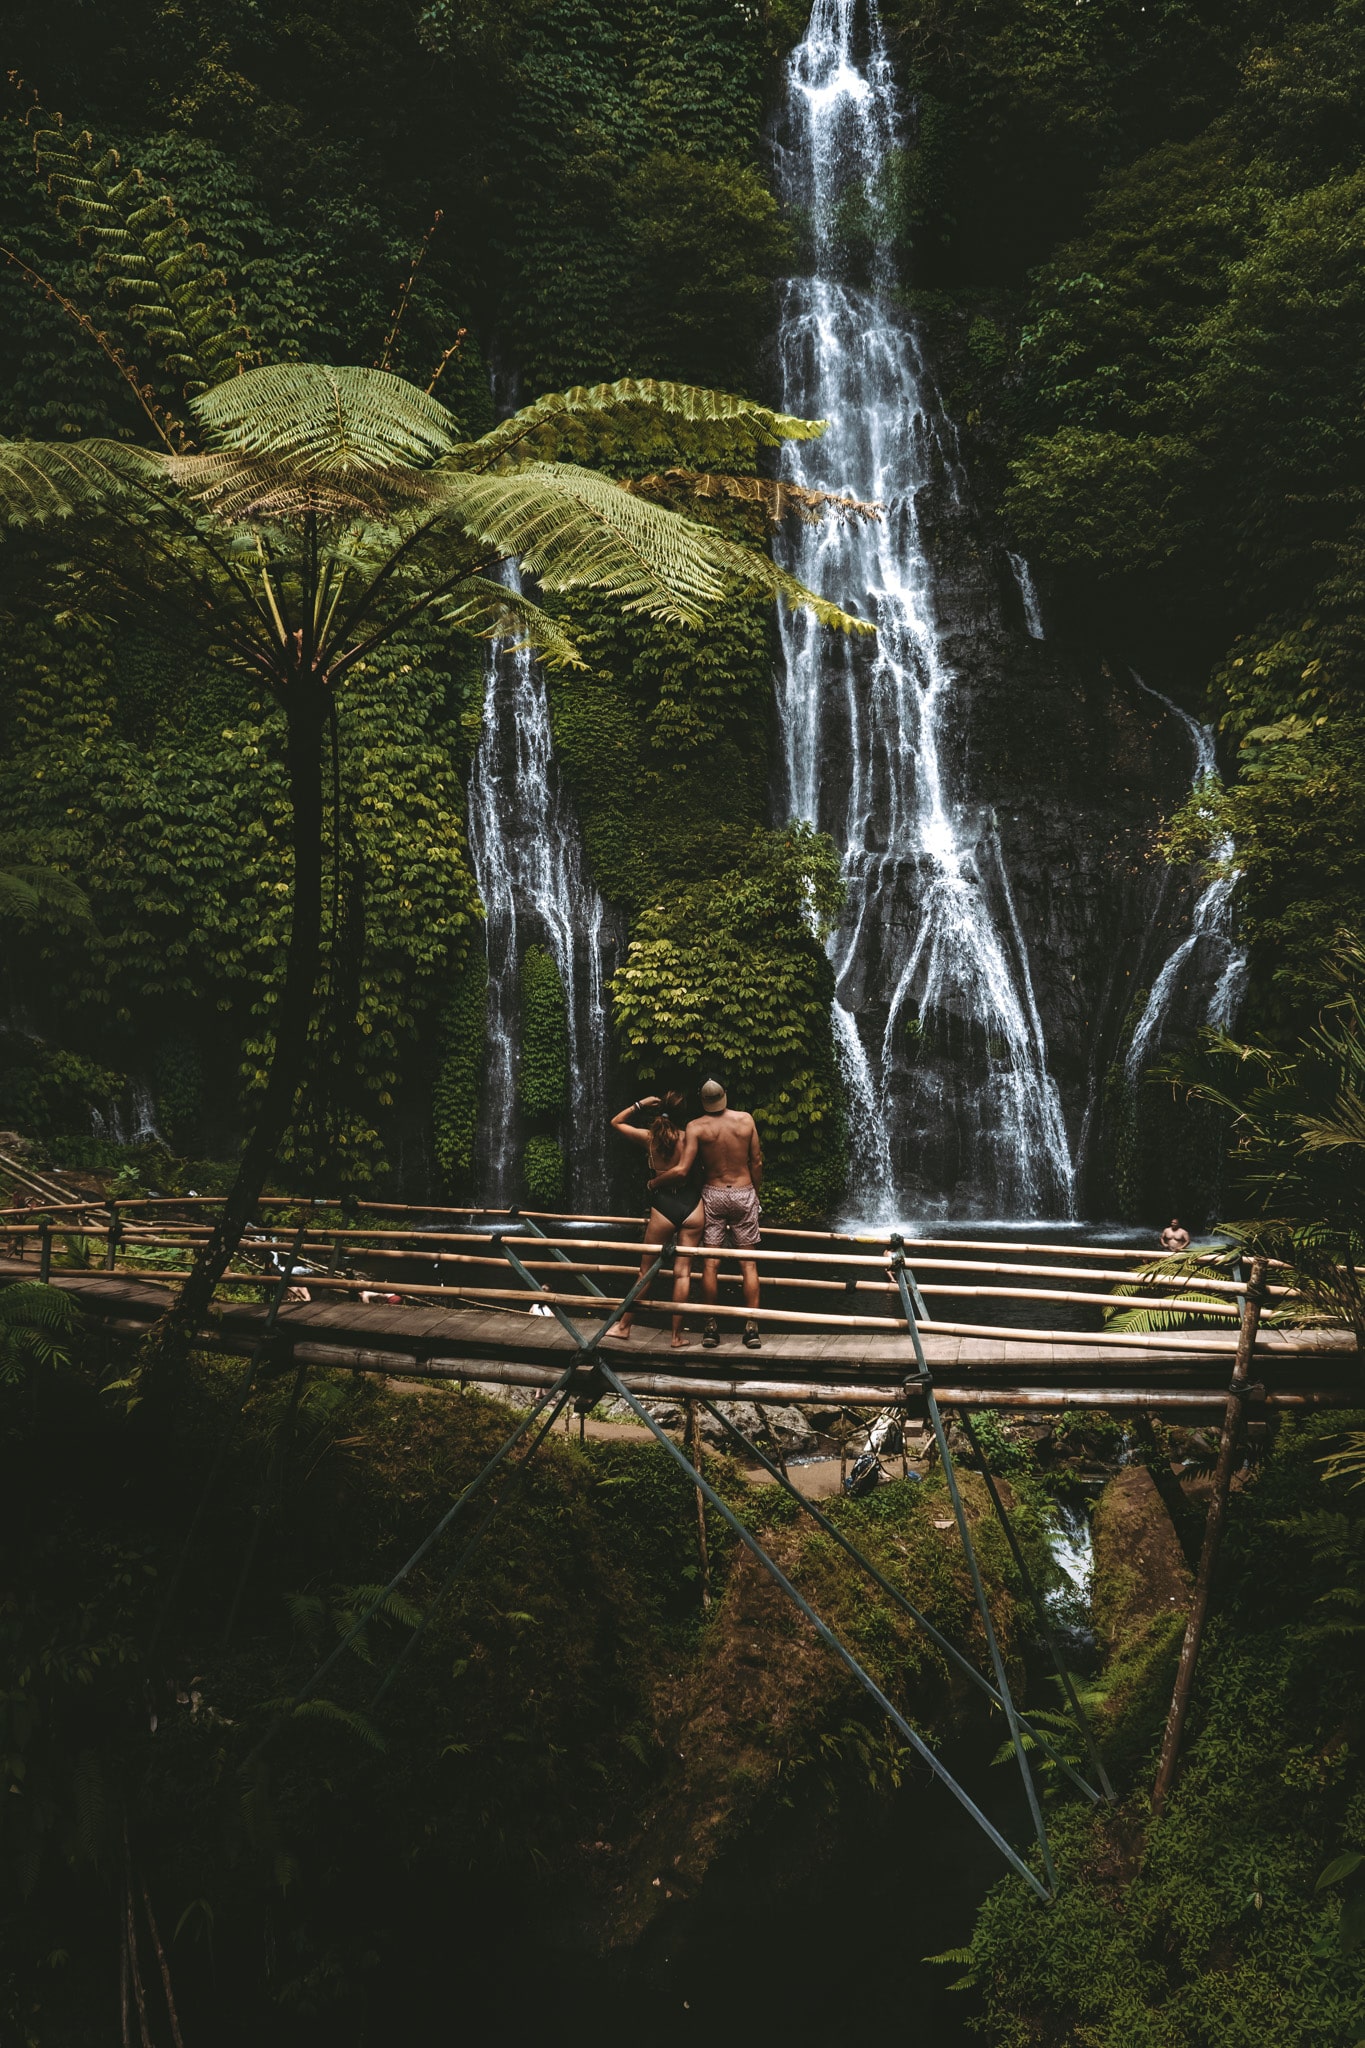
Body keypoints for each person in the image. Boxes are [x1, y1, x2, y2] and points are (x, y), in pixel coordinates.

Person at [650, 1077, 763, 1350]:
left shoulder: (696, 1126)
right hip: (743, 1191)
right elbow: (756, 1160)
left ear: (702, 1100)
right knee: (748, 1264)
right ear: (725, 1095)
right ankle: (752, 1329)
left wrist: (655, 1182)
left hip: (713, 1194)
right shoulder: (746, 1120)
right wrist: (754, 1192)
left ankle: (711, 1327)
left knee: (710, 1264)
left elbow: (685, 1168)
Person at [607, 1091, 704, 1347]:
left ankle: (624, 1326)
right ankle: (676, 1336)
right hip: (693, 1205)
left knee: (645, 1272)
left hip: (663, 1206)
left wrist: (640, 1104)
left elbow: (616, 1122)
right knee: (683, 1275)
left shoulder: (650, 1138)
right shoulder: (691, 1138)